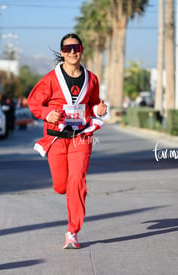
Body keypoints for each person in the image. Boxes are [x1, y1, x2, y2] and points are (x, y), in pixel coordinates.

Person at [28, 33, 108, 249]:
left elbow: (93, 103)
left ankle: (73, 231)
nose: (73, 51)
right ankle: (68, 193)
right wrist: (47, 114)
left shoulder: (91, 79)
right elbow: (34, 103)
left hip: (81, 137)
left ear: (81, 50)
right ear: (62, 52)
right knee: (61, 185)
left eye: (77, 47)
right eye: (69, 48)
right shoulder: (50, 79)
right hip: (56, 139)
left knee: (77, 181)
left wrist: (98, 109)